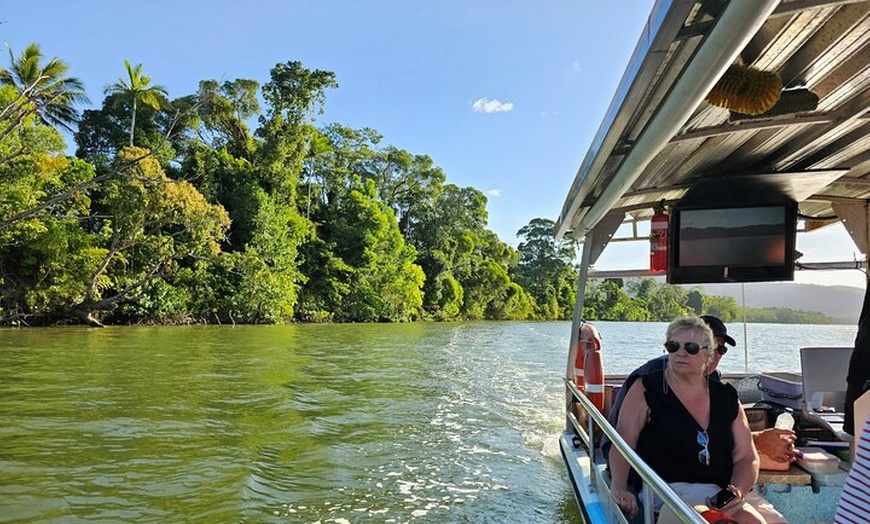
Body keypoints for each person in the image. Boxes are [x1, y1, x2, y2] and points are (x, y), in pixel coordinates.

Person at [609, 316, 767, 524]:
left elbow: (747, 457)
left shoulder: (726, 397)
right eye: (673, 346)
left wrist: (736, 490)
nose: (680, 353)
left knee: (751, 519)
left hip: (718, 495)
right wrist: (619, 486)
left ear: (708, 354)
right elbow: (623, 443)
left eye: (691, 347)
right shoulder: (646, 388)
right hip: (665, 493)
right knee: (702, 517)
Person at [603, 315, 796, 464]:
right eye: (700, 347)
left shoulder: (712, 379)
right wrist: (758, 441)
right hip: (630, 457)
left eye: (721, 350)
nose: (715, 355)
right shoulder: (657, 378)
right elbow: (677, 439)